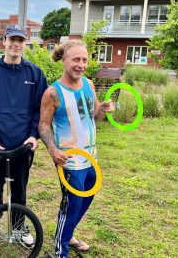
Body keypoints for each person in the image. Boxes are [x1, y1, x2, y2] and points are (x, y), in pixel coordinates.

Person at [38, 40, 114, 258]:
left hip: (91, 156)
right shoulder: (52, 92)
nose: (81, 64)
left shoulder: (89, 84)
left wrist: (104, 109)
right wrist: (53, 150)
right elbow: (43, 125)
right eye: (76, 60)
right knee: (72, 203)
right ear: (64, 60)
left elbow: (96, 116)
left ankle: (67, 233)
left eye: (85, 60)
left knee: (88, 195)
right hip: (70, 160)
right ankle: (60, 250)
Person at [0, 24, 48, 247]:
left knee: (19, 189)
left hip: (22, 144)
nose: (16, 44)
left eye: (21, 40)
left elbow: (40, 109)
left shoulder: (35, 74)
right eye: (12, 39)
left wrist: (33, 136)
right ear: (4, 41)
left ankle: (18, 228)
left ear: (25, 43)